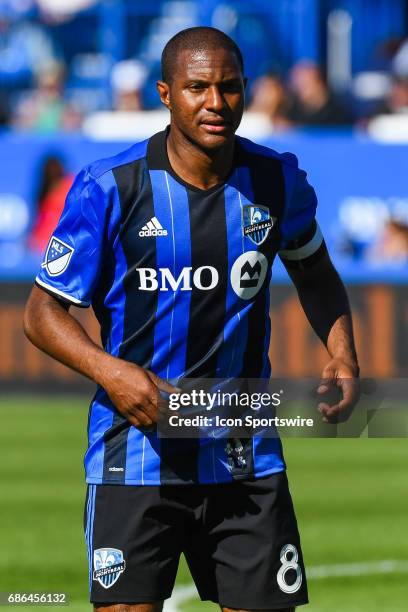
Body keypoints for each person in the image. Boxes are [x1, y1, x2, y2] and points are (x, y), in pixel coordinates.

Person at [24, 27, 360, 612]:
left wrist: (343, 351)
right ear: (165, 93)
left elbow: (315, 272)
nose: (215, 102)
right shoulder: (111, 188)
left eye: (228, 88)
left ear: (246, 92)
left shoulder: (277, 182)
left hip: (243, 448)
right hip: (135, 452)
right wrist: (113, 374)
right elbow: (42, 312)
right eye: (197, 87)